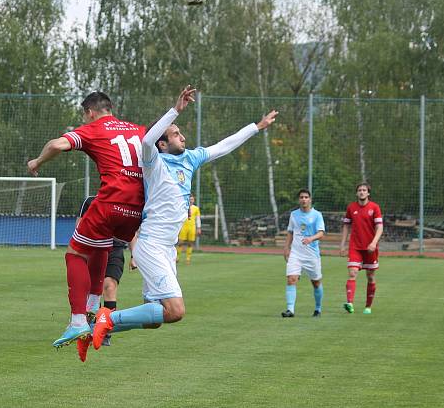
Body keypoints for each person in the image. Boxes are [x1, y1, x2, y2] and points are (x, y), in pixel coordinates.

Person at [92, 86, 277, 350]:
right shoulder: (153, 162)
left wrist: (256, 127)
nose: (183, 136)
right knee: (176, 310)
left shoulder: (190, 159)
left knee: (157, 316)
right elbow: (146, 141)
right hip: (152, 244)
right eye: (176, 133)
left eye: (180, 132)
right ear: (163, 144)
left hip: (167, 249)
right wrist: (175, 110)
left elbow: (223, 146)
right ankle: (106, 320)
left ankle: (98, 326)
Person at [27, 91, 146, 352]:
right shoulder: (138, 130)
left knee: (75, 255)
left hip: (111, 201)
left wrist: (37, 161)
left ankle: (78, 320)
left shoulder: (94, 128)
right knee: (102, 246)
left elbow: (56, 145)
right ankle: (93, 306)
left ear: (90, 112)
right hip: (137, 208)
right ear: (111, 107)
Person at [77, 195, 138, 353]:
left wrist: (134, 255)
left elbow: (132, 232)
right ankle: (86, 329)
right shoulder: (90, 201)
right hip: (92, 249)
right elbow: (80, 225)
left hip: (115, 250)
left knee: (109, 286)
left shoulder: (126, 202)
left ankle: (106, 331)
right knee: (91, 291)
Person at [340, 182, 383, 314]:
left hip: (370, 247)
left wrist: (374, 243)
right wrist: (342, 244)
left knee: (370, 276)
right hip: (355, 247)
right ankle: (350, 303)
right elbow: (346, 226)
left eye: (364, 190)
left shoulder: (375, 207)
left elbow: (379, 227)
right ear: (356, 193)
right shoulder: (351, 207)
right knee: (352, 273)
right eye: (359, 190)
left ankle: (368, 306)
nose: (362, 192)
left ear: (368, 193)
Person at [282, 189, 325, 318]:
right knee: (291, 279)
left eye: (306, 197)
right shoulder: (294, 215)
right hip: (296, 253)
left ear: (310, 199)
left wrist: (311, 238)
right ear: (299, 199)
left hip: (311, 255)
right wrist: (286, 248)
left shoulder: (317, 215)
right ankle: (290, 310)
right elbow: (290, 232)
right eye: (301, 197)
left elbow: (321, 233)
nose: (304, 199)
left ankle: (318, 308)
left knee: (316, 282)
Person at [176, 194, 201, 264]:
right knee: (180, 242)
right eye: (190, 199)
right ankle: (177, 257)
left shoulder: (196, 208)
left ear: (194, 200)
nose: (191, 201)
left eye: (192, 199)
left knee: (190, 243)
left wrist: (198, 228)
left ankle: (188, 258)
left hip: (192, 227)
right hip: (184, 227)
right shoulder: (183, 207)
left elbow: (198, 219)